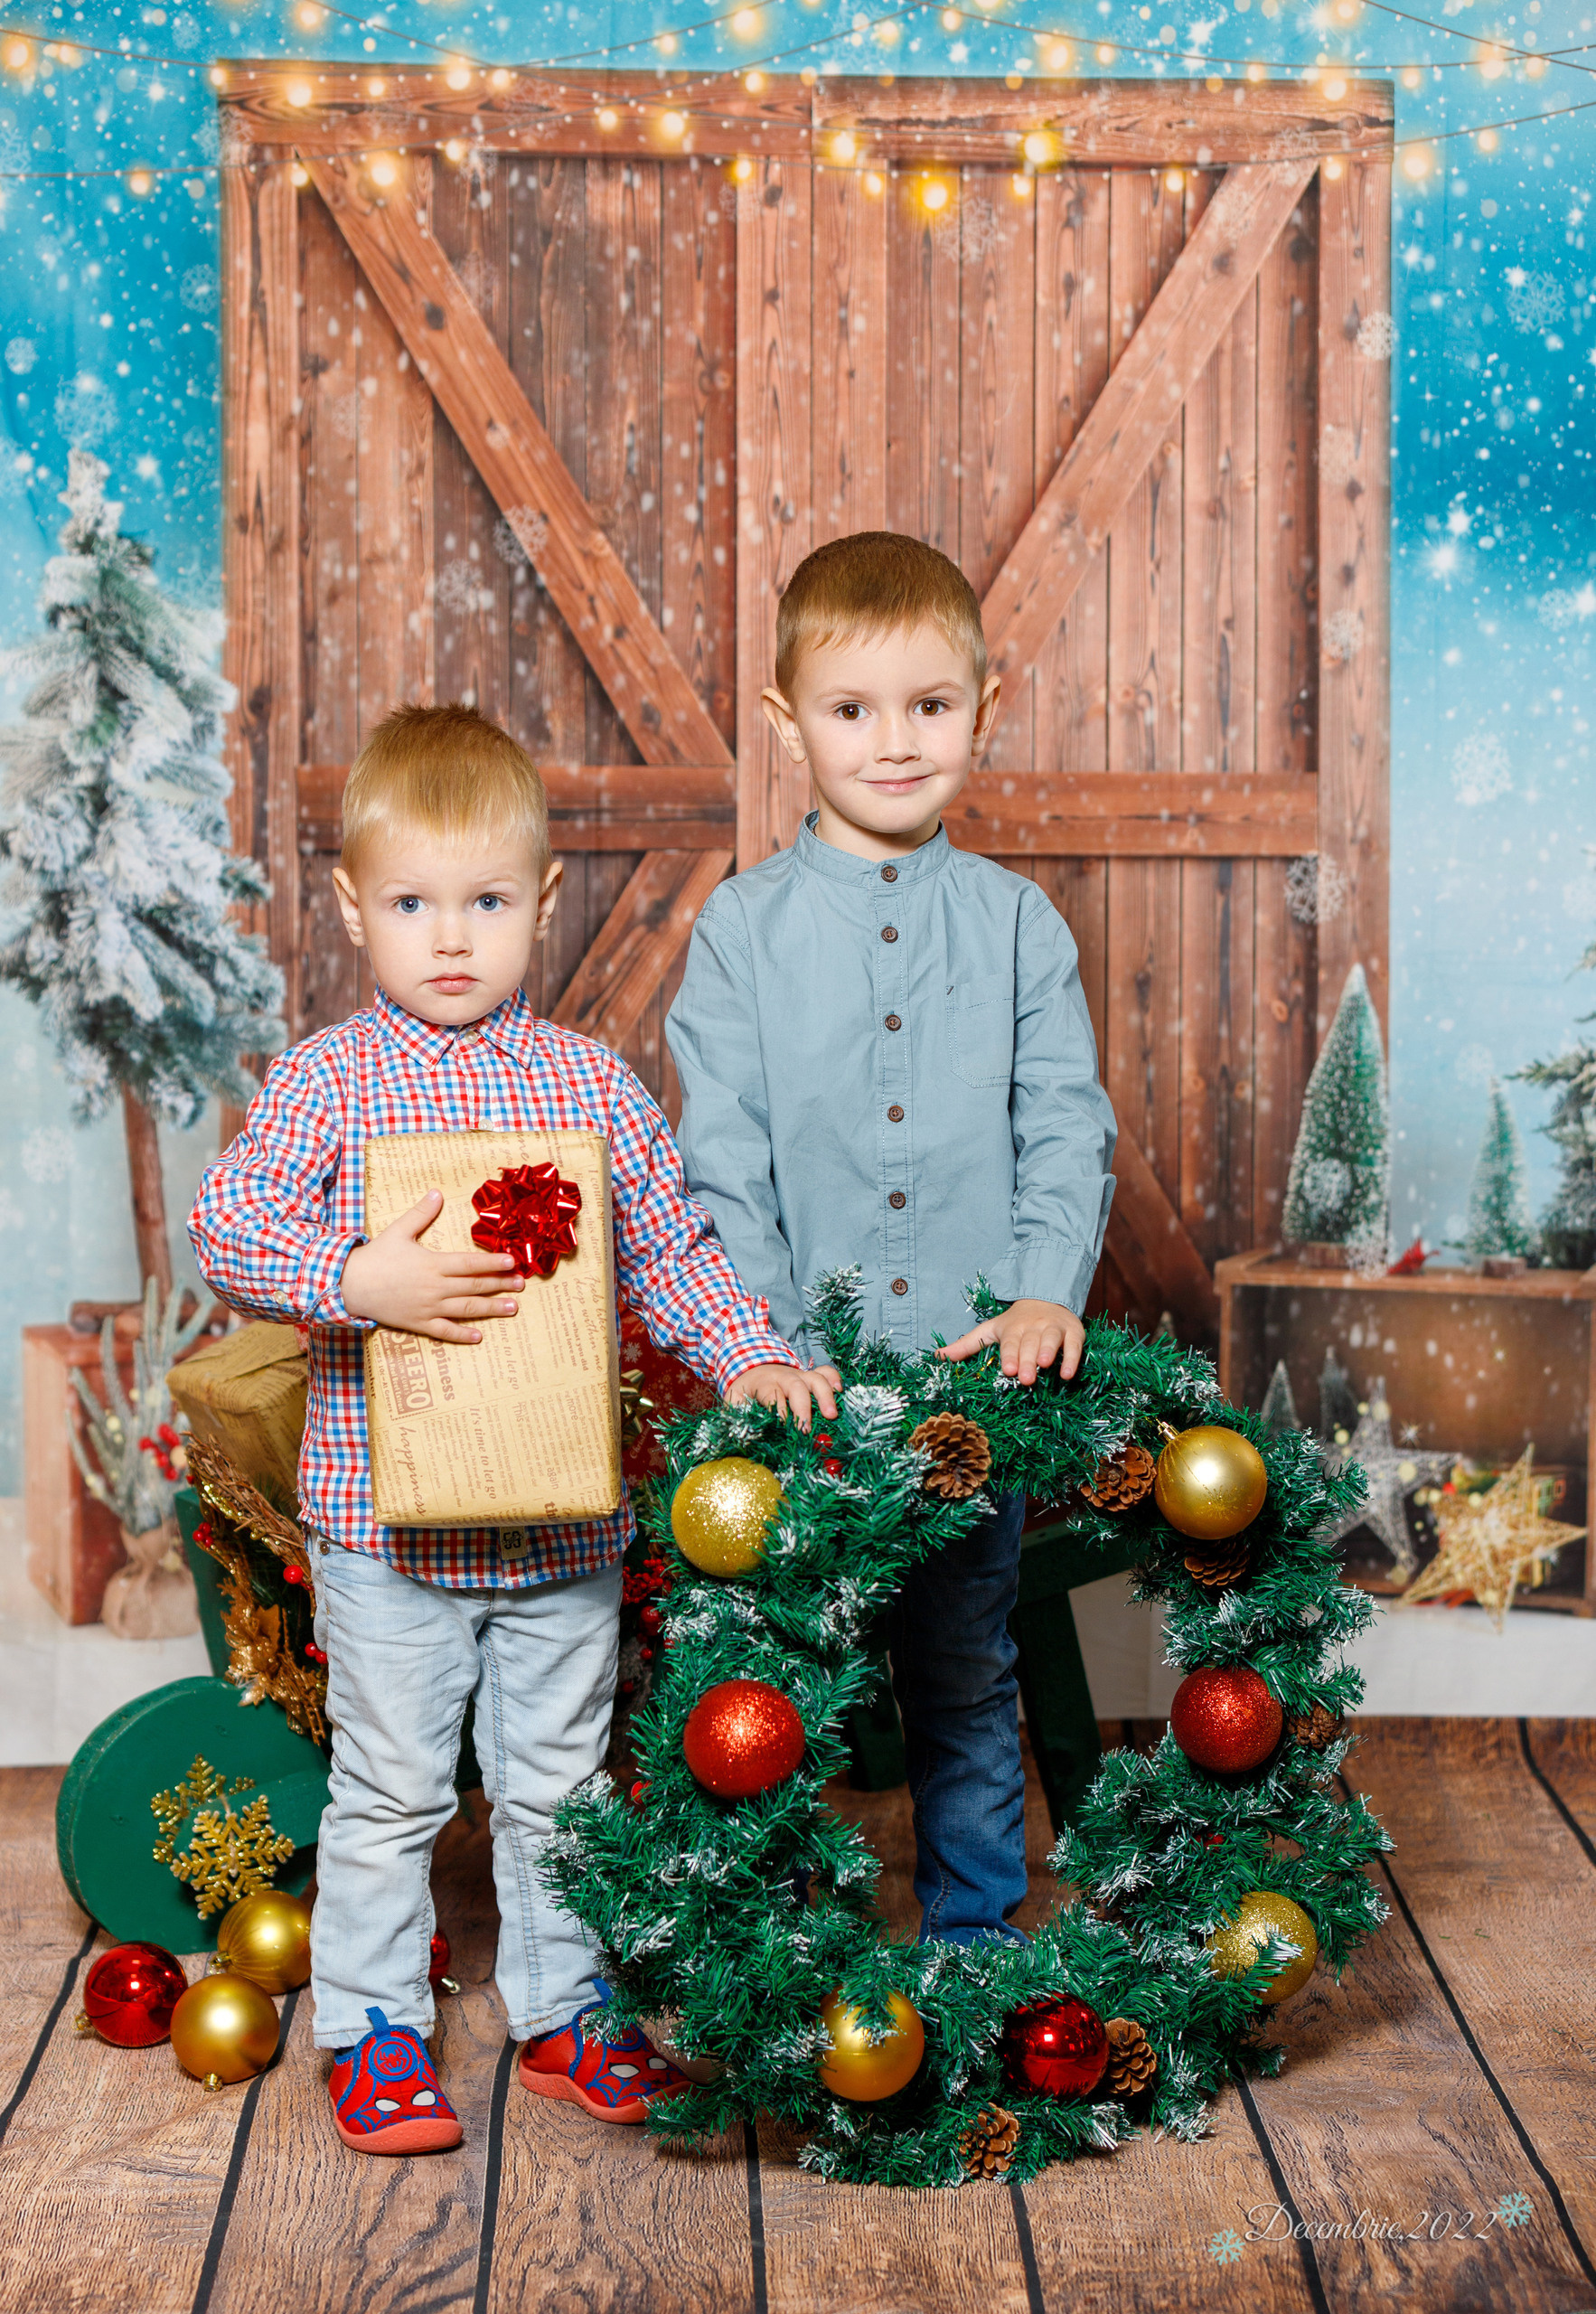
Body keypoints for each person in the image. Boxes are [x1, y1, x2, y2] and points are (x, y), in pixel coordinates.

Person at [190, 704, 832, 2155]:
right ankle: (370, 2031)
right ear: (355, 909)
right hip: (386, 1529)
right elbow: (223, 1227)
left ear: (541, 903)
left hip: (557, 1525)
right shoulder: (328, 1080)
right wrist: (357, 1279)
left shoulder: (589, 1086)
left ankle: (565, 2013)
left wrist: (750, 1359)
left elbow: (669, 1255)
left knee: (557, 1785)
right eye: (413, 904)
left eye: (485, 902)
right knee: (393, 1788)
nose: (451, 938)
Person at [666, 531, 1117, 1948]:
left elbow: (1064, 1124)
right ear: (786, 723)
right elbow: (719, 1162)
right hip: (796, 1386)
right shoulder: (739, 934)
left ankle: (975, 1940)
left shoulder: (1016, 927)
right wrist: (761, 1345)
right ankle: (784, 1950)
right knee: (786, 1675)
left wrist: (1047, 1292)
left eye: (930, 705)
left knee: (962, 1666)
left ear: (983, 707)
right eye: (852, 710)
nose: (894, 741)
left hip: (971, 1382)